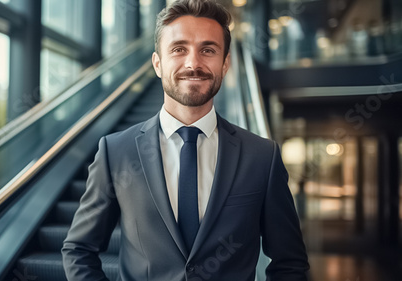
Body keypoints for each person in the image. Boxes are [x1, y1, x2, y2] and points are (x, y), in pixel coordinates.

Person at [61, 0, 309, 280]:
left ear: (225, 63)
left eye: (208, 50)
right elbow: (79, 248)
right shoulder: (115, 151)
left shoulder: (262, 156)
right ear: (158, 63)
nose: (193, 63)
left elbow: (289, 262)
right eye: (179, 49)